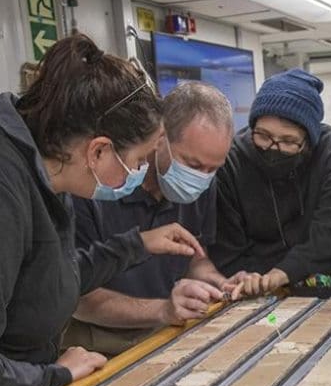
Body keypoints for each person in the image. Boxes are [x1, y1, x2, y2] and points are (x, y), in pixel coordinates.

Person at [0, 35, 212, 386]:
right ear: (97, 151)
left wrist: (137, 245)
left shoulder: (46, 173)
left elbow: (43, 281)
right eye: (137, 162)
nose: (138, 174)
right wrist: (56, 376)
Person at [66, 82, 240, 356]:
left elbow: (194, 256)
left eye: (212, 169)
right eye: (193, 165)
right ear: (160, 139)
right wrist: (163, 309)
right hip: (96, 346)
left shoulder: (202, 185)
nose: (201, 177)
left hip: (165, 332)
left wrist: (220, 283)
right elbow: (81, 299)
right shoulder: (92, 189)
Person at [209, 69, 331, 300]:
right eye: (263, 135)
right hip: (252, 289)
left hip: (318, 282)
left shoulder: (328, 150)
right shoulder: (232, 161)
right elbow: (226, 247)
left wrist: (283, 272)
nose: (273, 148)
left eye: (288, 141)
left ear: (309, 140)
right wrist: (253, 279)